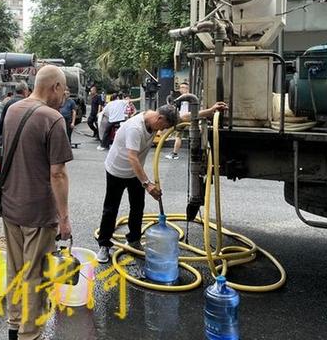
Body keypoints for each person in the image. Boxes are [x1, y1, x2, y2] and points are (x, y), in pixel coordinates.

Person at [96, 101, 228, 263]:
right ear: (159, 118)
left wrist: (210, 110)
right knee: (111, 208)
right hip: (117, 170)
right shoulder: (135, 128)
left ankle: (134, 239)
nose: (163, 130)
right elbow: (132, 157)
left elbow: (185, 117)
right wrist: (147, 184)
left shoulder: (156, 120)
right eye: (164, 126)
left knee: (137, 206)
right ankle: (104, 245)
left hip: (135, 172)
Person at [1, 66, 73, 340]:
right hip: (38, 212)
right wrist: (64, 218)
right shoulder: (53, 119)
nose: (64, 97)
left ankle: (14, 324)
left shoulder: (12, 109)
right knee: (35, 275)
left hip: (10, 206)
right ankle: (29, 334)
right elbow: (58, 173)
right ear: (55, 87)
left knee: (15, 269)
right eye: (63, 91)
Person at [0, 82, 29, 149]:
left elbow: (1, 121)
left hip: (9, 137)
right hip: (24, 138)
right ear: (25, 91)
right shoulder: (28, 104)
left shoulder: (9, 103)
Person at [166, 82, 190, 160]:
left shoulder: (190, 98)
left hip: (185, 118)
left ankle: (175, 154)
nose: (181, 89)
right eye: (180, 87)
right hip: (183, 118)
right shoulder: (181, 98)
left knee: (178, 136)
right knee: (178, 135)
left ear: (187, 89)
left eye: (183, 87)